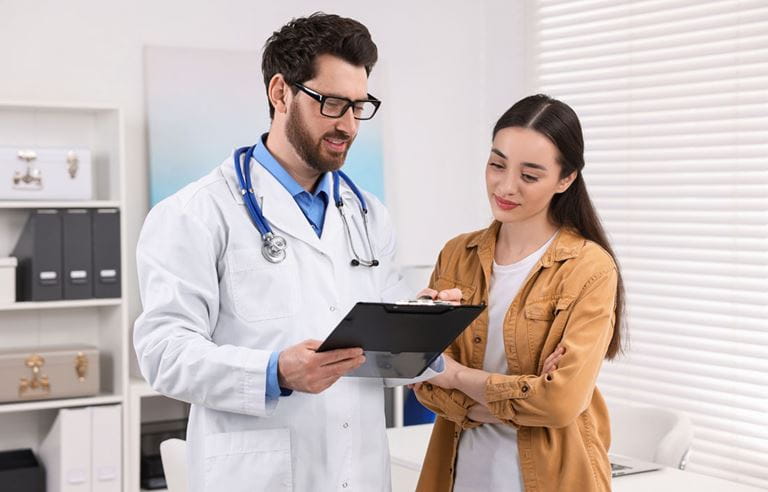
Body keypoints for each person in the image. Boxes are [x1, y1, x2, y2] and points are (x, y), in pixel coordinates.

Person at [134, 13, 440, 492]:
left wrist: (425, 322)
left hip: (359, 472)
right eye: (333, 104)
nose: (348, 126)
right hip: (258, 475)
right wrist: (274, 372)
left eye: (359, 107)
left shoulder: (367, 215)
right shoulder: (195, 213)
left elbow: (385, 346)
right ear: (281, 93)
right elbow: (163, 354)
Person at [414, 94, 625, 492]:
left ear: (566, 179)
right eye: (496, 164)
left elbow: (561, 403)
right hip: (460, 476)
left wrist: (457, 376)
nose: (505, 186)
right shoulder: (458, 254)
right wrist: (522, 397)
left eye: (529, 176)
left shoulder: (588, 268)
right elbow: (423, 379)